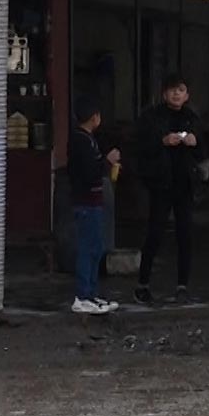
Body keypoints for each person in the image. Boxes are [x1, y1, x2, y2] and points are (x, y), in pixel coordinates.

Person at [133, 74, 202, 304]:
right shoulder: (152, 118)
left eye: (180, 90)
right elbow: (139, 146)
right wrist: (162, 142)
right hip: (161, 184)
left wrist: (195, 142)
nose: (176, 94)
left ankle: (182, 286)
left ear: (187, 95)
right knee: (154, 234)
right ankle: (142, 284)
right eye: (172, 90)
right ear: (164, 94)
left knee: (185, 235)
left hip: (184, 185)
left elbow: (204, 152)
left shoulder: (192, 119)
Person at [66, 97, 120, 315]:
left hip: (92, 201)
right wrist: (107, 162)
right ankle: (82, 295)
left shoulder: (87, 139)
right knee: (88, 249)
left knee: (96, 248)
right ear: (94, 117)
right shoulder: (81, 141)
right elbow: (89, 172)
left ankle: (91, 292)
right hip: (86, 202)